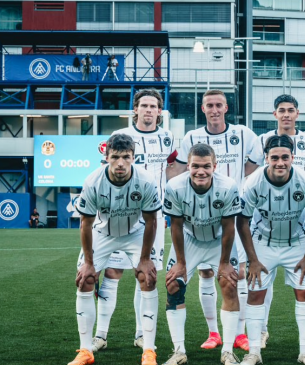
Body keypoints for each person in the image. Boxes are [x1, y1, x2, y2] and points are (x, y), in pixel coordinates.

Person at [168, 89, 258, 351]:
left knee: (236, 274)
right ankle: (213, 333)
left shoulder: (244, 133)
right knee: (206, 273)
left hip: (232, 214)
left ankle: (239, 334)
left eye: (219, 105)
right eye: (210, 105)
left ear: (226, 108)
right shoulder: (191, 137)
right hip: (197, 215)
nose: (215, 109)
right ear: (203, 108)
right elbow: (181, 167)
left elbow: (254, 165)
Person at [90, 89, 175, 353]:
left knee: (146, 274)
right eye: (144, 106)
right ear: (135, 109)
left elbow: (174, 169)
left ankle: (141, 334)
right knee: (112, 272)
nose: (149, 110)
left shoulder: (169, 139)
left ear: (160, 111)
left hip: (153, 217)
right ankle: (100, 335)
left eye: (154, 106)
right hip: (121, 214)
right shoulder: (121, 138)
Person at [69, 133, 161, 365]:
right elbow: (86, 224)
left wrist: (145, 258)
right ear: (106, 156)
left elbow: (151, 221)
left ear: (134, 157)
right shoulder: (93, 182)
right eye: (115, 157)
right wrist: (89, 263)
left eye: (126, 157)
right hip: (103, 234)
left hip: (134, 233)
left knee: (147, 278)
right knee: (85, 280)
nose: (121, 163)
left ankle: (148, 351)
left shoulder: (146, 180)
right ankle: (85, 350)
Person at [245, 94, 305, 348]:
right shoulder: (254, 180)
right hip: (263, 240)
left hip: (296, 239)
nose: (280, 162)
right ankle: (254, 349)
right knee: (256, 292)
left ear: (292, 157)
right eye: (274, 158)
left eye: (285, 157)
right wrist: (252, 259)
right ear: (266, 157)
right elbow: (242, 221)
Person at [162, 143, 243, 365]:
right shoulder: (174, 186)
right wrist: (180, 262)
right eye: (195, 166)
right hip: (189, 239)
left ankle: (227, 351)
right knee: (173, 285)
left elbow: (229, 226)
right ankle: (179, 351)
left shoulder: (228, 186)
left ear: (214, 166)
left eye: (206, 166)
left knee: (229, 283)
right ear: (188, 165)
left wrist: (225, 263)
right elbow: (175, 226)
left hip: (219, 241)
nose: (201, 171)